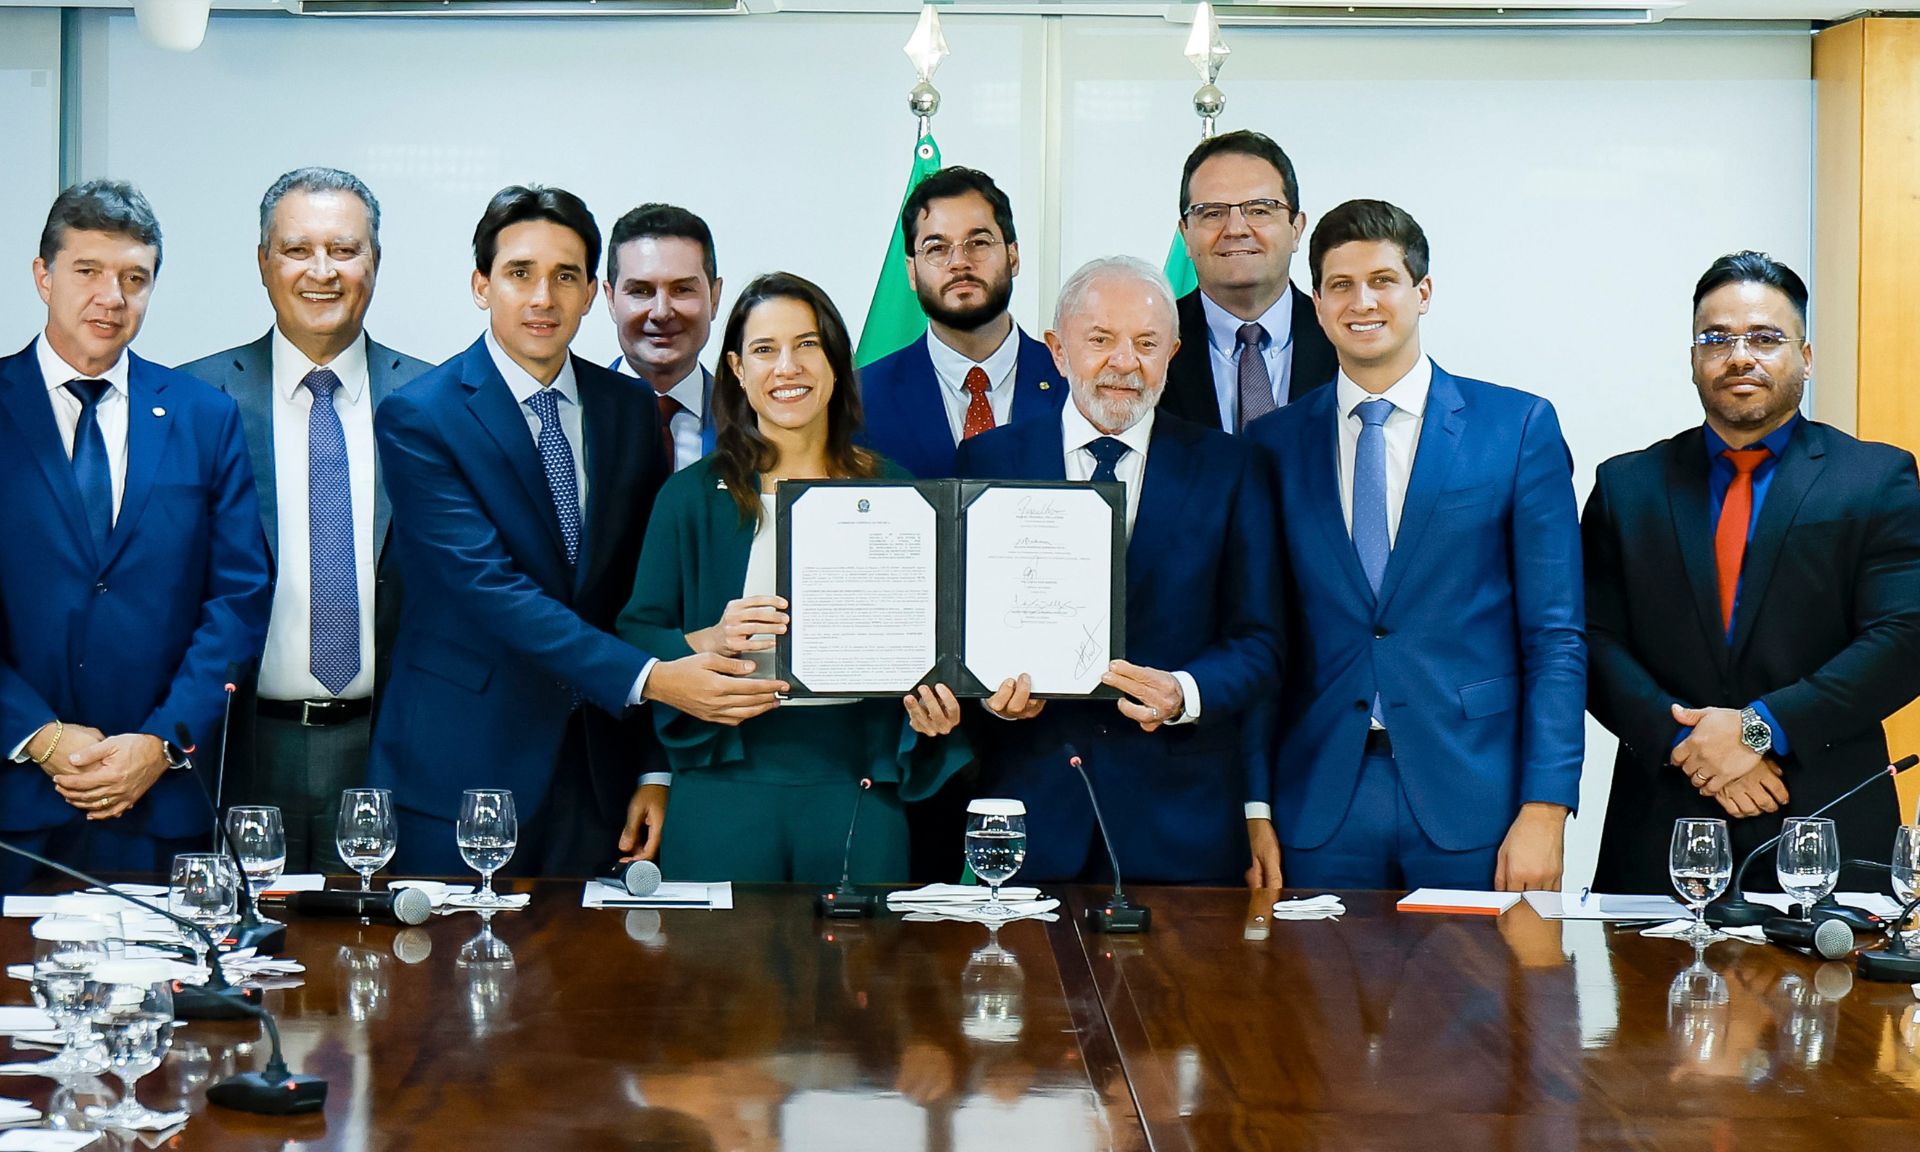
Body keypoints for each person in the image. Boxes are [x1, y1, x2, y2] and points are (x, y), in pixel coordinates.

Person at [371, 185, 763, 878]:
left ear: (593, 295)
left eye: (565, 276)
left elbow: (640, 602)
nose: (543, 297)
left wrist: (654, 769)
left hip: (598, 779)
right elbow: (489, 589)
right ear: (480, 285)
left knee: (596, 983)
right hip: (464, 772)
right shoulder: (419, 417)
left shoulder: (630, 408)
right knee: (439, 983)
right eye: (519, 273)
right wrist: (658, 680)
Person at [1249, 200, 1584, 891]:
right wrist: (1254, 805)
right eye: (1340, 285)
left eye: (1383, 280)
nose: (1361, 301)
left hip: (1476, 797)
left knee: (1484, 998)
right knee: (1304, 1001)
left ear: (1422, 293)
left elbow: (1556, 636)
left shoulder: (1516, 426)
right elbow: (1260, 638)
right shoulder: (1272, 446)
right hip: (1317, 803)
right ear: (1316, 304)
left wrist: (1546, 808)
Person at [614, 272, 970, 884]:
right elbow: (634, 637)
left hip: (857, 783)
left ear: (837, 361)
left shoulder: (902, 494)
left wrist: (939, 703)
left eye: (807, 344)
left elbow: (942, 642)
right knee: (719, 974)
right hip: (723, 781)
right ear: (736, 368)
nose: (788, 367)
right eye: (764, 349)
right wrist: (706, 641)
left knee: (864, 975)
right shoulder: (690, 497)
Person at [1586, 251, 1920, 892]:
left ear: (1807, 356)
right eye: (1716, 339)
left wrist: (1760, 728)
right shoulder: (1627, 486)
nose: (1740, 356)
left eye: (1766, 338)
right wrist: (1692, 746)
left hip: (1823, 821)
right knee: (1636, 993)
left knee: (1834, 996)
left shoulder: (1875, 478)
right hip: (1663, 817)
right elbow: (1591, 640)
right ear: (1693, 359)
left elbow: (1903, 639)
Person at [955, 256, 1282, 886]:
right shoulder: (988, 459)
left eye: (1147, 343)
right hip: (1031, 816)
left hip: (1180, 824)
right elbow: (959, 628)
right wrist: (991, 699)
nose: (1124, 362)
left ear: (1173, 354)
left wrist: (1184, 691)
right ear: (1057, 349)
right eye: (1100, 340)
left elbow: (1261, 641)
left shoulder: (1230, 468)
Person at [0, 181, 272, 890]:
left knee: (159, 997)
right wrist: (42, 738)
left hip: (161, 804)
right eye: (87, 271)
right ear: (42, 276)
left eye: (134, 278)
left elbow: (238, 597)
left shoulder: (201, 416)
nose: (111, 297)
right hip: (17, 802)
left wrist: (161, 742)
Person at [180, 167, 430, 872]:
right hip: (240, 749)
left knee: (389, 967)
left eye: (344, 250)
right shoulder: (195, 400)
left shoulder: (434, 402)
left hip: (390, 748)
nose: (322, 271)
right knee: (246, 967)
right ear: (263, 262)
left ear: (374, 263)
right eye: (297, 249)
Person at [859, 166, 1065, 480]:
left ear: (1013, 256)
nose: (959, 262)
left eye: (979, 243)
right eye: (937, 249)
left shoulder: (1073, 385)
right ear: (912, 272)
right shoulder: (860, 399)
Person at [1162, 130, 1338, 434]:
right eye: (1212, 212)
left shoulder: (1343, 338)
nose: (1236, 229)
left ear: (1296, 228)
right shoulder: (1152, 344)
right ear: (1185, 234)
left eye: (1259, 210)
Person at [602, 203, 722, 473]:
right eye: (641, 291)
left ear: (714, 298)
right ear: (610, 299)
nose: (661, 312)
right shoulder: (573, 419)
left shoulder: (754, 422)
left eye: (682, 289)